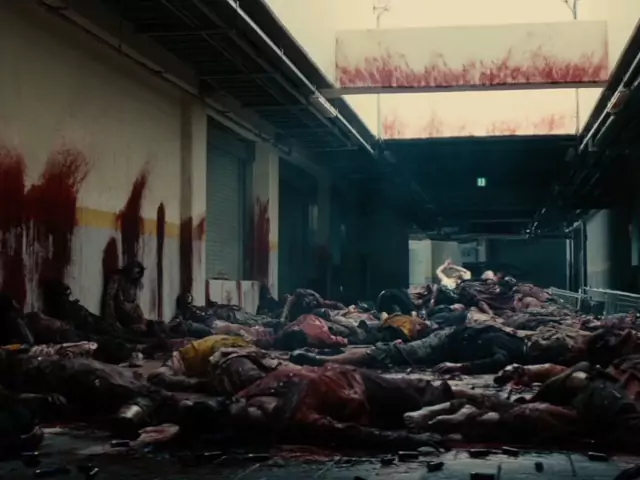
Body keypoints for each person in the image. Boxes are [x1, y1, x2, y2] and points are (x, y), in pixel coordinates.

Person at [181, 364, 449, 449]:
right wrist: (411, 441)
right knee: (425, 396)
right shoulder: (292, 419)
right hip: (366, 394)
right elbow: (351, 434)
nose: (229, 402)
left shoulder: (248, 395)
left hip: (347, 376)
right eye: (226, 408)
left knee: (418, 388)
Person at [291, 323, 589, 375]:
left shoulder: (515, 354)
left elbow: (496, 362)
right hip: (449, 336)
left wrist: (461, 367)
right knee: (388, 349)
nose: (541, 339)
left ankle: (322, 362)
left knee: (388, 353)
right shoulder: (521, 342)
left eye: (545, 343)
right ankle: (328, 358)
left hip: (444, 345)